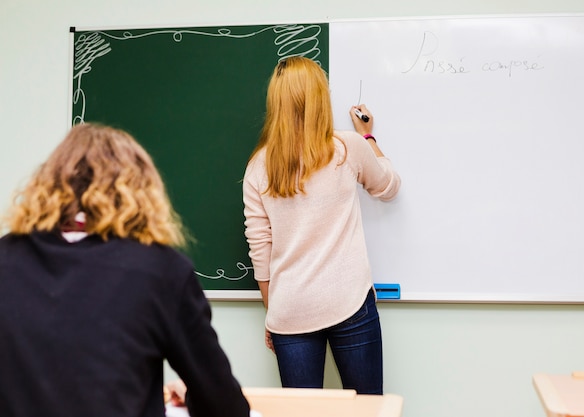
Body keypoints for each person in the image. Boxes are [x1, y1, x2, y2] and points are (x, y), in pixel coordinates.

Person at [0, 123, 250, 417]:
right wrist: (191, 394)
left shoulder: (6, 259)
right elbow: (224, 407)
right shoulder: (161, 271)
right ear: (140, 191)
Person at [242, 56, 401, 394]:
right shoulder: (347, 148)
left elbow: (260, 251)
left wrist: (274, 314)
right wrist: (369, 136)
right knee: (368, 410)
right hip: (351, 303)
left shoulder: (258, 166)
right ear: (319, 97)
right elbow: (388, 186)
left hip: (291, 310)